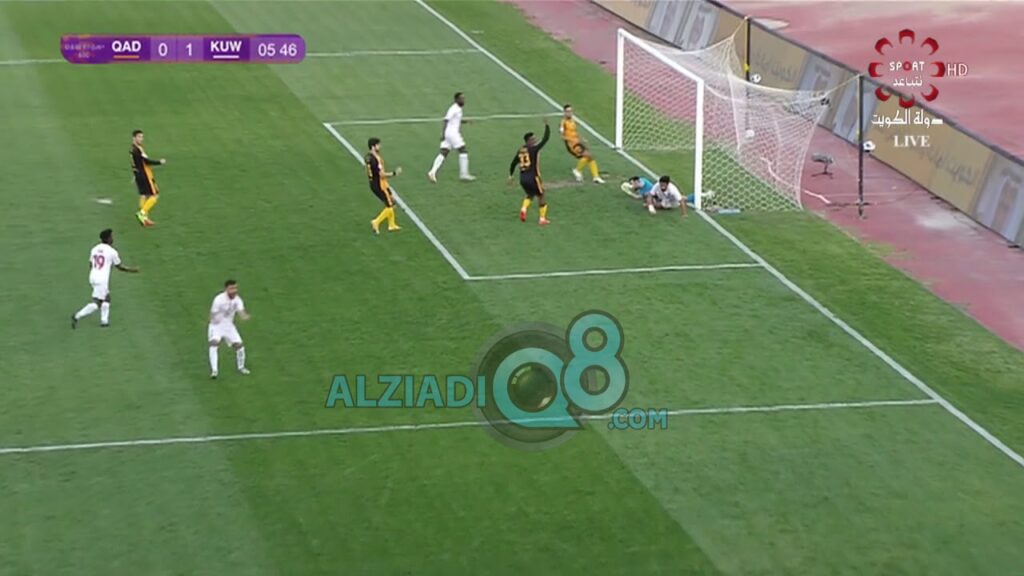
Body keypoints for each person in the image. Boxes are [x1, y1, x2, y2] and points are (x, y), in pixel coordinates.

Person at [71, 228, 139, 329]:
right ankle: (77, 316)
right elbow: (120, 267)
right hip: (102, 279)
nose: (112, 238)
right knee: (97, 303)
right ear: (107, 238)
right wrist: (133, 270)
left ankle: (104, 321)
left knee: (106, 297)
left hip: (93, 276)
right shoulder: (112, 252)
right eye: (111, 237)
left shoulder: (94, 249)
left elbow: (91, 264)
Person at [508, 119, 551, 225]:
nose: (535, 140)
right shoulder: (533, 149)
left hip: (523, 179)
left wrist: (510, 175)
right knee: (541, 195)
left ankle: (523, 209)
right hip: (533, 177)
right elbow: (545, 139)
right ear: (528, 141)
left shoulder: (520, 150)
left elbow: (513, 163)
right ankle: (542, 219)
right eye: (533, 139)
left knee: (530, 194)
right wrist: (547, 126)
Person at [427, 92, 475, 182]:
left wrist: (466, 121)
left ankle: (432, 172)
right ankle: (464, 174)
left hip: (449, 134)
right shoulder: (454, 108)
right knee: (463, 150)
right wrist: (442, 133)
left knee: (443, 152)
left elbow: (457, 120)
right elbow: (446, 120)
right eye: (461, 99)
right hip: (452, 134)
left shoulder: (458, 109)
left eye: (464, 98)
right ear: (456, 100)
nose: (463, 100)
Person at [208, 279, 250, 379]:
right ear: (226, 289)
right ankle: (214, 371)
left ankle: (241, 367)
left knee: (239, 346)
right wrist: (213, 322)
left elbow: (241, 311)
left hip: (229, 326)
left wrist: (244, 316)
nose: (234, 290)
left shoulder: (237, 300)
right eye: (231, 288)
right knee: (214, 344)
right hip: (216, 326)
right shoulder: (218, 299)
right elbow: (212, 313)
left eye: (235, 288)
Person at [365, 137, 402, 235]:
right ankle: (376, 222)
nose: (380, 147)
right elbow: (381, 174)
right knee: (390, 206)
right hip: (379, 184)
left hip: (376, 183)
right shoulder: (375, 159)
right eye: (378, 145)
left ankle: (392, 225)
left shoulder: (368, 157)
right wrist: (394, 173)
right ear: (373, 146)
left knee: (392, 202)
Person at [560, 104, 604, 184]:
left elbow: (575, 132)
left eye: (571, 111)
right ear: (564, 112)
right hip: (572, 145)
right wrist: (572, 140)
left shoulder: (573, 121)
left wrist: (582, 139)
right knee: (589, 156)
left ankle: (594, 176)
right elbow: (563, 137)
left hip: (577, 142)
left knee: (590, 157)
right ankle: (579, 171)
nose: (570, 113)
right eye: (568, 111)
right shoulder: (563, 123)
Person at [130, 130, 166, 227]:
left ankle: (144, 218)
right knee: (155, 195)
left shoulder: (132, 149)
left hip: (138, 174)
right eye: (139, 137)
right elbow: (146, 161)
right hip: (145, 175)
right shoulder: (138, 149)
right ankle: (142, 213)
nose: (141, 139)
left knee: (144, 195)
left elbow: (134, 164)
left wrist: (135, 174)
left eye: (142, 137)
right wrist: (160, 162)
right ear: (134, 138)